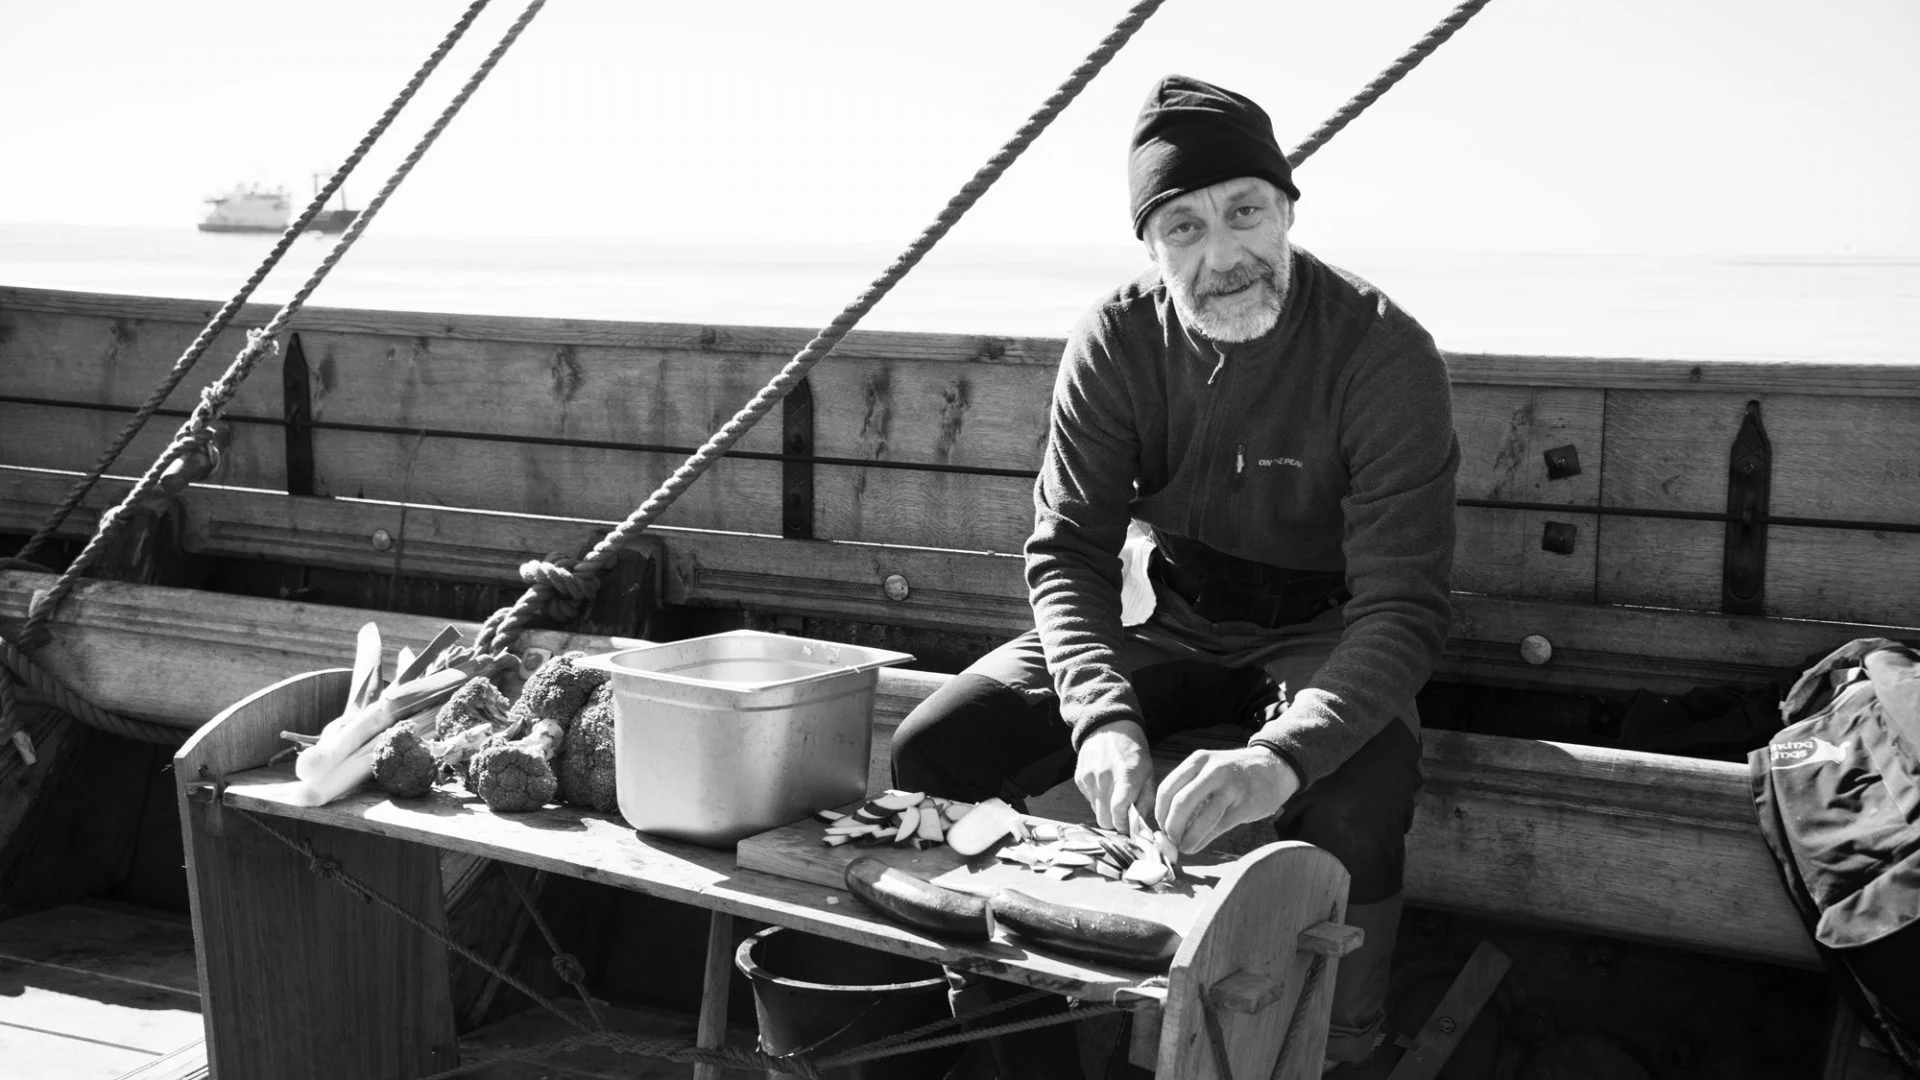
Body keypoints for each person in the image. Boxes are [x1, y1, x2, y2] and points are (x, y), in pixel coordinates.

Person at [892, 73, 1459, 1078]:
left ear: (1287, 209)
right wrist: (1101, 716)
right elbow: (1068, 551)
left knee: (1357, 803)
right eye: (1185, 227)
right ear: (1152, 246)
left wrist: (1281, 757)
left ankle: (1340, 1052)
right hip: (1165, 609)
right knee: (938, 746)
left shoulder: (1383, 352)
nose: (1223, 254)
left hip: (1323, 630)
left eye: (1245, 212)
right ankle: (1021, 1045)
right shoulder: (1116, 336)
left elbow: (1403, 609)